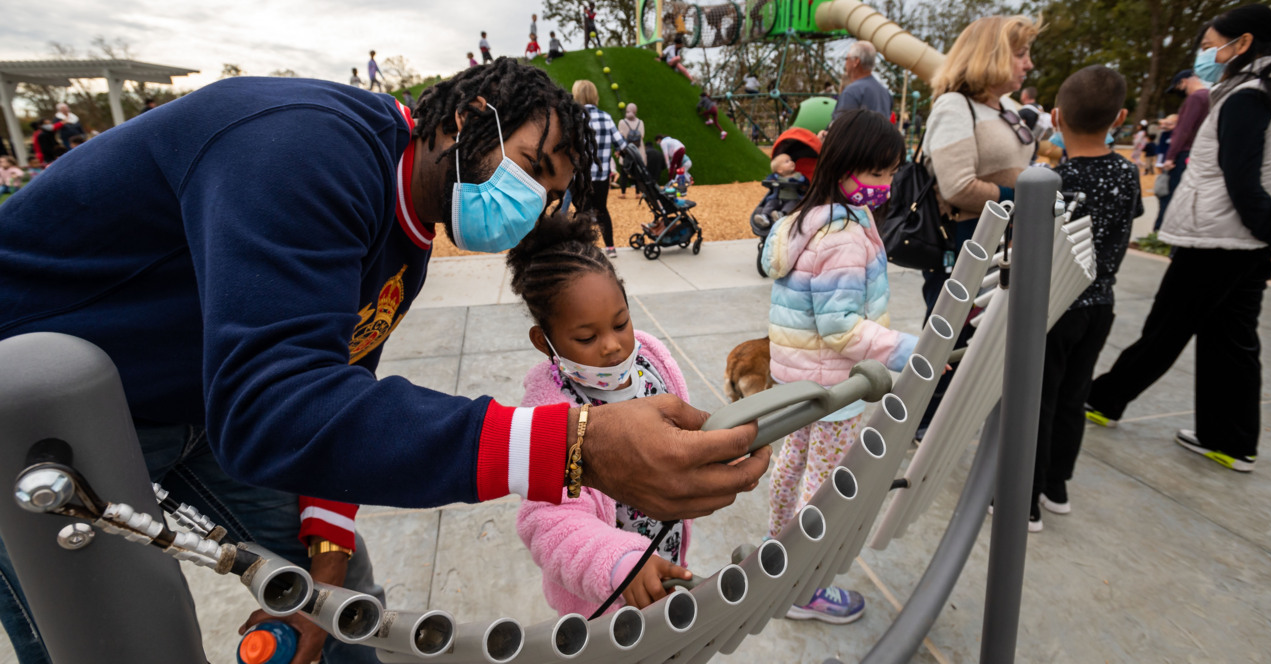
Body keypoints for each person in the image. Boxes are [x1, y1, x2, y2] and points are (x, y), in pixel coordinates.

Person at [0, 59, 770, 664]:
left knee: (337, 601)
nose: (532, 202)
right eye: (531, 167)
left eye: (549, 192)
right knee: (110, 631)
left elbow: (335, 388)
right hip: (36, 405)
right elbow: (271, 405)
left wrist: (325, 557)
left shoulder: (406, 238)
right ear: (470, 117)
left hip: (198, 402)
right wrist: (573, 444)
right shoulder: (301, 146)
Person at [1086, 3, 1271, 473]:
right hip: (1244, 241)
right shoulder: (1267, 90)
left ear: (1243, 43)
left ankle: (1103, 400)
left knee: (1167, 327)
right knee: (1230, 337)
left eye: (1211, 46)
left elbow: (1240, 178)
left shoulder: (1247, 96)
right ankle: (1230, 439)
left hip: (1217, 237)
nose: (1205, 55)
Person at [761, 109, 918, 624]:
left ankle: (776, 553)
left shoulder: (810, 217)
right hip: (834, 385)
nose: (885, 184)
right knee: (826, 487)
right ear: (845, 166)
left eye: (891, 172)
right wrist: (908, 350)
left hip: (800, 380)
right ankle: (804, 586)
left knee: (792, 465)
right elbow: (842, 330)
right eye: (875, 172)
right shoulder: (845, 235)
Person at [511, 215, 696, 616]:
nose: (612, 346)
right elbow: (550, 523)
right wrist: (618, 564)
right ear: (544, 341)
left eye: (620, 323)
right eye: (587, 337)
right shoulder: (553, 417)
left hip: (666, 561)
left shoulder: (651, 364)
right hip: (607, 601)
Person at [914, 15, 1039, 440]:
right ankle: (924, 418)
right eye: (1020, 54)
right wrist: (1022, 197)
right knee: (949, 335)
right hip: (965, 242)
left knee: (976, 336)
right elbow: (957, 187)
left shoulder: (1004, 108)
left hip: (1000, 240)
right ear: (991, 55)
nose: (1028, 64)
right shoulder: (955, 106)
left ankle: (950, 415)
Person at [1028, 65, 1142, 531]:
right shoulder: (1129, 173)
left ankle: (1025, 499)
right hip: (1101, 305)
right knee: (1073, 397)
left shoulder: (1056, 181)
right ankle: (1056, 486)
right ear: (1120, 117)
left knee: (1039, 401)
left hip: (1058, 306)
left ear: (1055, 117)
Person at [573, 80, 626, 258]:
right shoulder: (606, 117)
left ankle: (585, 250)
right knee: (602, 210)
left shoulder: (574, 118)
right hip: (601, 176)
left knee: (582, 212)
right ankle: (610, 247)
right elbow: (621, 145)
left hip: (580, 177)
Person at [1157, 69, 1210, 231]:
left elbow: (1183, 129)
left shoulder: (1195, 98)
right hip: (1200, 153)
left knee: (1169, 195)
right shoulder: (1211, 96)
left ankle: (1162, 230)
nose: (1180, 92)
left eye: (1178, 87)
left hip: (1183, 154)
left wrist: (1170, 156)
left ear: (1184, 82)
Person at [832, 41, 892, 121]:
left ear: (856, 61)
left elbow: (840, 124)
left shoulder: (852, 91)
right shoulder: (885, 92)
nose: (845, 63)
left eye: (847, 59)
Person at [752, 152, 808, 228]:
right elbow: (769, 178)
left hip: (793, 198)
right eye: (787, 161)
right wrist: (771, 181)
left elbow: (805, 182)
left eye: (791, 160)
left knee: (792, 205)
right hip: (778, 199)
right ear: (780, 170)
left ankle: (781, 214)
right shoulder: (776, 177)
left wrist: (799, 184)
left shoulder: (798, 176)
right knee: (771, 203)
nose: (791, 162)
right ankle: (764, 216)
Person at [616, 103, 645, 198]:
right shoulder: (640, 122)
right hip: (638, 151)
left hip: (626, 151)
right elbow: (642, 135)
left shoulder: (622, 122)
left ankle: (623, 193)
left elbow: (620, 136)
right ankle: (637, 193)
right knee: (637, 173)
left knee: (624, 173)